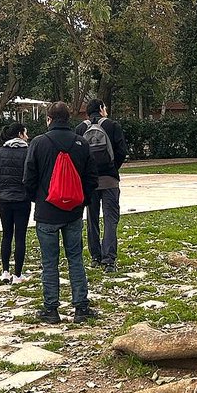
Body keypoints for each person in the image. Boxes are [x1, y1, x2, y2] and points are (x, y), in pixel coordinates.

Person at [23, 101, 99, 324]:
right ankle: (81, 307)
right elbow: (91, 178)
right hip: (73, 212)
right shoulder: (81, 143)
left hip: (47, 211)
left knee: (49, 262)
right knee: (75, 258)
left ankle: (51, 309)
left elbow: (28, 179)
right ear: (69, 118)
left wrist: (38, 198)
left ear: (48, 119)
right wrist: (81, 199)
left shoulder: (38, 143)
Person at [75, 99, 129, 273]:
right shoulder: (113, 126)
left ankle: (95, 256)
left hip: (90, 183)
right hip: (110, 180)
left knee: (92, 219)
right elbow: (121, 152)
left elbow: (77, 156)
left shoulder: (81, 129)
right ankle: (109, 260)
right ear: (101, 109)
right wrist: (113, 168)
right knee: (110, 219)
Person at [0, 122, 32, 282]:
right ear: (20, 134)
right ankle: (18, 274)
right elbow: (32, 176)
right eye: (25, 133)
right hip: (22, 199)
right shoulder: (27, 152)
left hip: (4, 200)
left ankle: (5, 271)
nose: (27, 136)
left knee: (6, 234)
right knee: (20, 235)